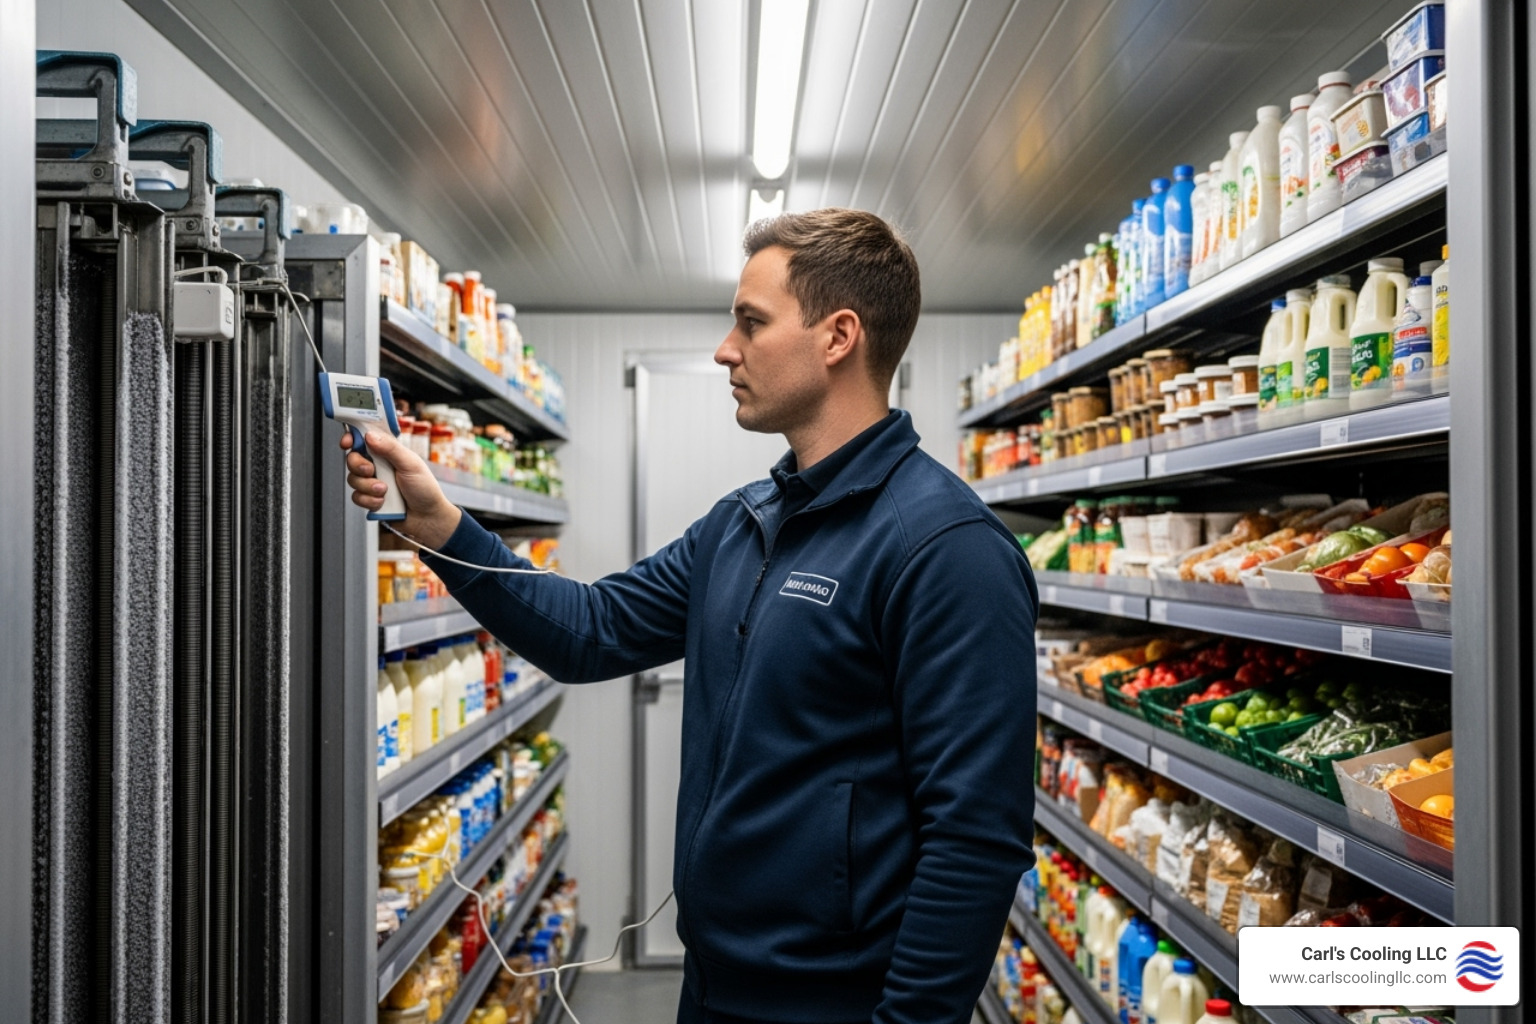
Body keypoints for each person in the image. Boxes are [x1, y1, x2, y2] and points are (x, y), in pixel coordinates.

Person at [344, 208, 1037, 1024]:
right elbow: (591, 630)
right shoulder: (741, 523)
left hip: (835, 1005)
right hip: (713, 987)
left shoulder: (946, 547)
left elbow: (976, 838)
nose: (725, 349)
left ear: (838, 335)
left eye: (751, 322)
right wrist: (439, 527)